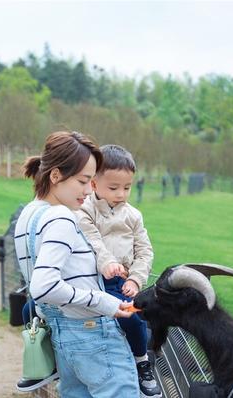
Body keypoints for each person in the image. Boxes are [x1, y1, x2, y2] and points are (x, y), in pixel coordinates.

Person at [14, 131, 139, 397]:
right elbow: (43, 287)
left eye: (91, 181)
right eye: (83, 181)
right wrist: (104, 301)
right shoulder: (60, 217)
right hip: (93, 336)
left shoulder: (29, 213)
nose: (88, 191)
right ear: (56, 175)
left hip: (64, 336)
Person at [76, 144, 161, 398]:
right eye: (113, 188)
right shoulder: (85, 209)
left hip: (120, 284)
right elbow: (93, 241)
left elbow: (145, 252)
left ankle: (141, 361)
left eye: (127, 187)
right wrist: (107, 262)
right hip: (90, 280)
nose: (121, 194)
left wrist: (135, 279)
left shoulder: (133, 216)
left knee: (133, 319)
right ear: (93, 184)